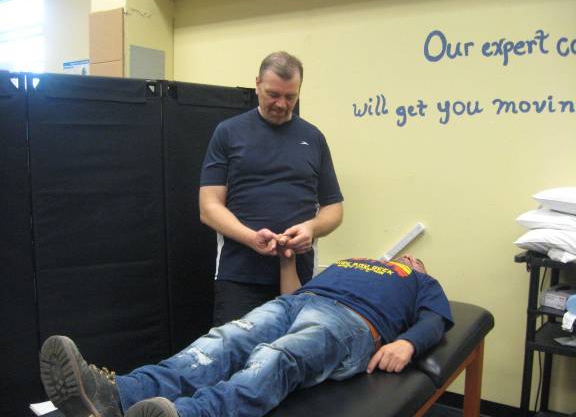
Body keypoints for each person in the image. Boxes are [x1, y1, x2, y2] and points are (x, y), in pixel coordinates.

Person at [39, 252, 453, 417]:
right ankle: (116, 394)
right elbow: (296, 291)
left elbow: (435, 321)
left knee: (277, 357)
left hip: (352, 323)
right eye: (403, 256)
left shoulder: (419, 282)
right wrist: (287, 260)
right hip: (298, 302)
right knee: (221, 342)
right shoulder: (352, 262)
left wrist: (406, 342)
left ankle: (188, 415)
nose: (405, 258)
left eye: (414, 259)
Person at [199, 51, 344, 325]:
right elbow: (209, 207)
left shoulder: (313, 138)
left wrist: (311, 229)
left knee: (293, 352)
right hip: (240, 274)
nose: (281, 103)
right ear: (257, 84)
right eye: (273, 94)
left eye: (290, 97)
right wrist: (251, 237)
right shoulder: (228, 133)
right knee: (234, 353)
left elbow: (333, 208)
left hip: (298, 273)